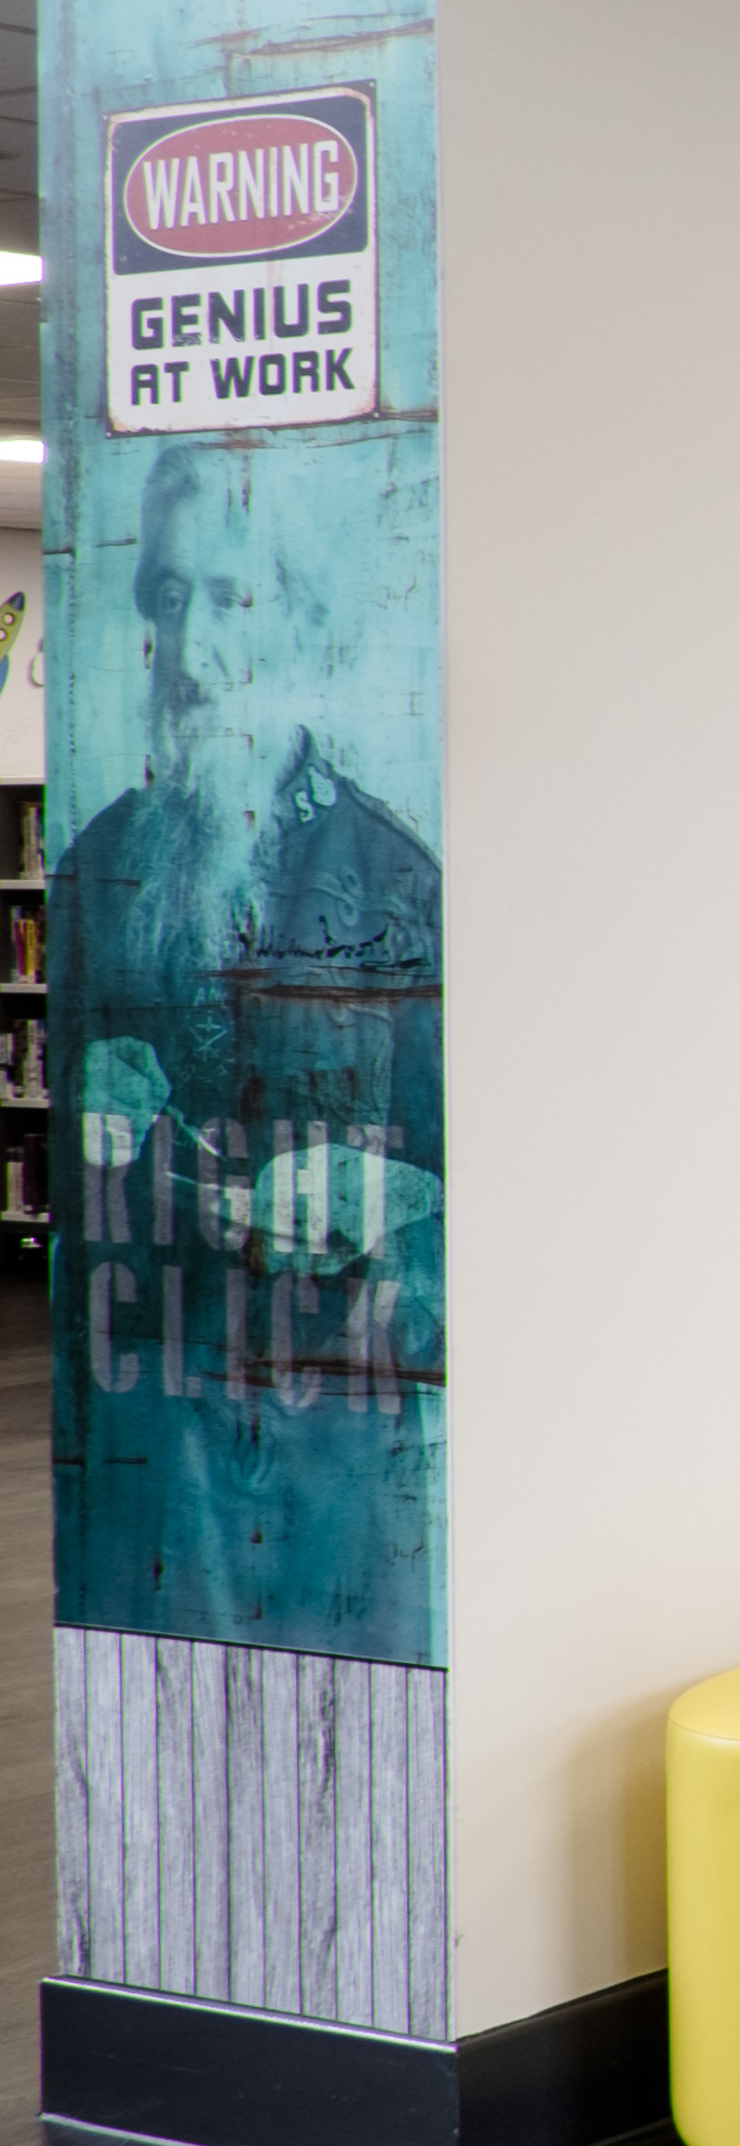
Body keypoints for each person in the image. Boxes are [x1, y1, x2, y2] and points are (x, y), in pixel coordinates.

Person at [54, 436, 448, 1660]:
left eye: (233, 597)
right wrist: (84, 1115)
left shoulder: (399, 883)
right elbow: (65, 1192)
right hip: (146, 1445)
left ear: (305, 623)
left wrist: (388, 1189)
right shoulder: (95, 869)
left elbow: (481, 1164)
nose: (192, 649)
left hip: (337, 1450)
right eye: (170, 597)